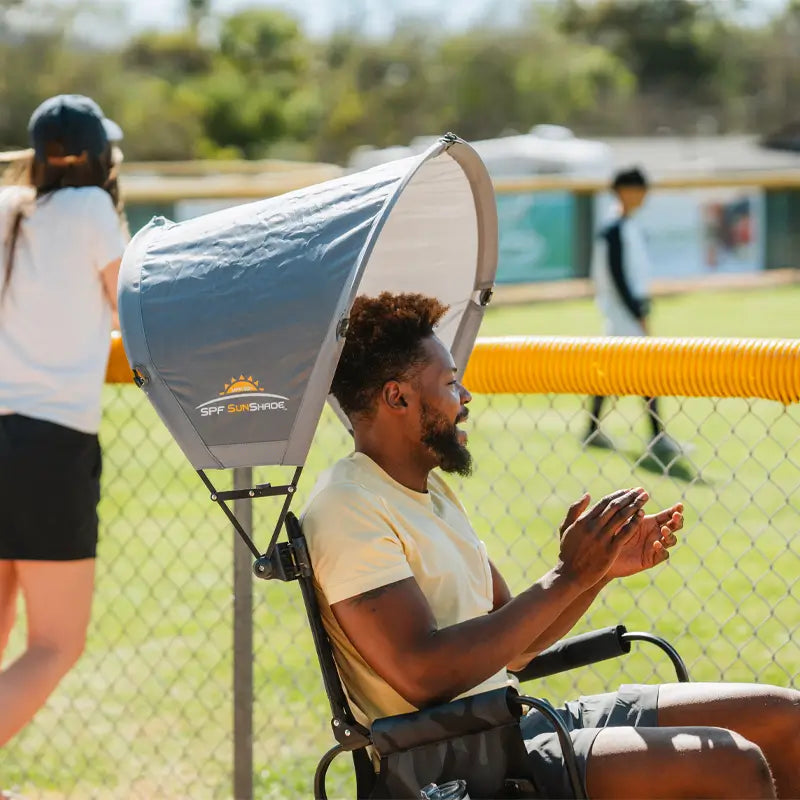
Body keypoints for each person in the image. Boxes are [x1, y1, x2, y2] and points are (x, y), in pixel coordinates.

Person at [301, 291, 799, 800]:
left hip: (508, 725)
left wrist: (596, 571)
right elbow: (422, 675)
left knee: (786, 721)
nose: (466, 397)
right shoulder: (349, 506)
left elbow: (517, 648)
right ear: (397, 397)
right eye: (451, 383)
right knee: (729, 763)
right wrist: (569, 576)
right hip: (454, 761)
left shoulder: (430, 491)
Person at [0, 94, 128, 747]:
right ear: (100, 156)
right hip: (48, 447)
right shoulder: (91, 208)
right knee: (54, 645)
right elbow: (129, 307)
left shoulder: (8, 206)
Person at [584, 167, 680, 464]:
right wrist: (638, 313)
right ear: (625, 191)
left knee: (611, 372)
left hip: (625, 312)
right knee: (644, 372)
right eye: (639, 189)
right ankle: (657, 436)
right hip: (623, 313)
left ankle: (592, 430)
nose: (643, 196)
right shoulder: (613, 229)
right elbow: (618, 277)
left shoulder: (626, 226)